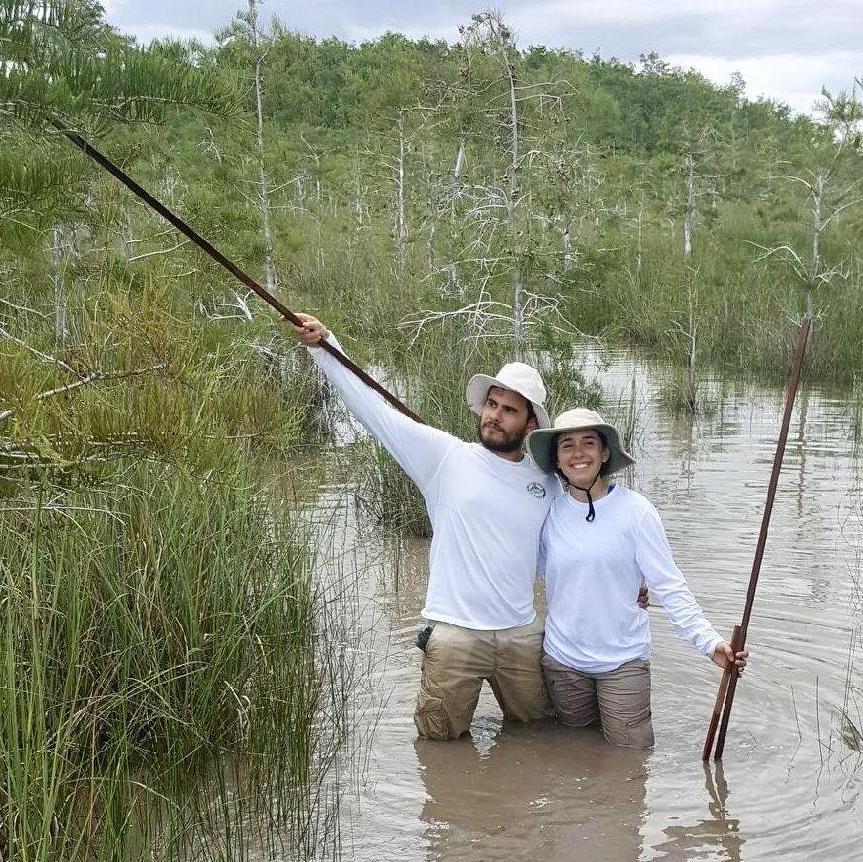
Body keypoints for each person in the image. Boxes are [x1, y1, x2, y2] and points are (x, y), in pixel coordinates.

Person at [290, 312, 557, 739]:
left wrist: (630, 584)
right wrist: (326, 346)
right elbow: (375, 412)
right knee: (439, 748)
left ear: (530, 423)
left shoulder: (546, 480)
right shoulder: (445, 456)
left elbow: (569, 543)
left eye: (509, 410)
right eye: (492, 404)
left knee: (538, 739)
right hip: (453, 634)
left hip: (520, 635)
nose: (495, 416)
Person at [525, 407, 748, 748]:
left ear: (605, 453)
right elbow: (522, 569)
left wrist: (710, 644)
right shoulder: (548, 510)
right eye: (567, 445)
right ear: (556, 460)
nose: (578, 453)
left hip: (623, 661)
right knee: (572, 757)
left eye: (589, 443)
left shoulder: (636, 511)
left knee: (631, 761)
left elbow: (670, 586)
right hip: (562, 662)